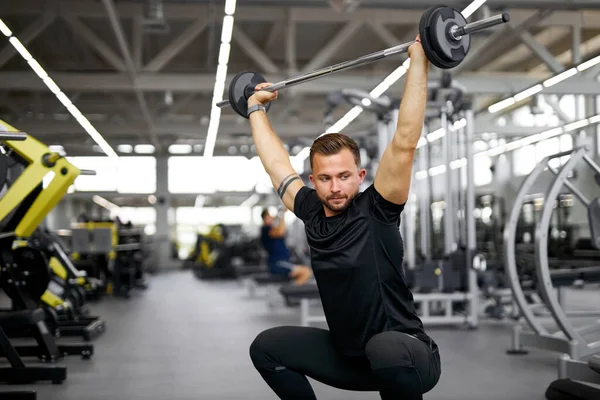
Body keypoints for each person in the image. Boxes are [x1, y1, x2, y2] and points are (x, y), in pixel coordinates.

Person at [246, 35, 440, 400]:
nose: (335, 187)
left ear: (360, 176)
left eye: (344, 176)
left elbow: (405, 140)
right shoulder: (310, 212)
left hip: (410, 357)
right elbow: (276, 166)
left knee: (385, 347)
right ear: (313, 180)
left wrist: (419, 61)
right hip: (351, 358)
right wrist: (256, 109)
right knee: (267, 347)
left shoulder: (378, 210)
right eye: (324, 178)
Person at [260, 207, 313, 285]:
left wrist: (279, 215)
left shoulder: (271, 229)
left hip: (283, 262)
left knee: (304, 273)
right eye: (270, 216)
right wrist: (282, 214)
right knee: (306, 272)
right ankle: (292, 293)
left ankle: (293, 291)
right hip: (277, 263)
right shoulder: (266, 229)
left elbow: (279, 229)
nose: (272, 218)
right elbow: (281, 231)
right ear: (266, 218)